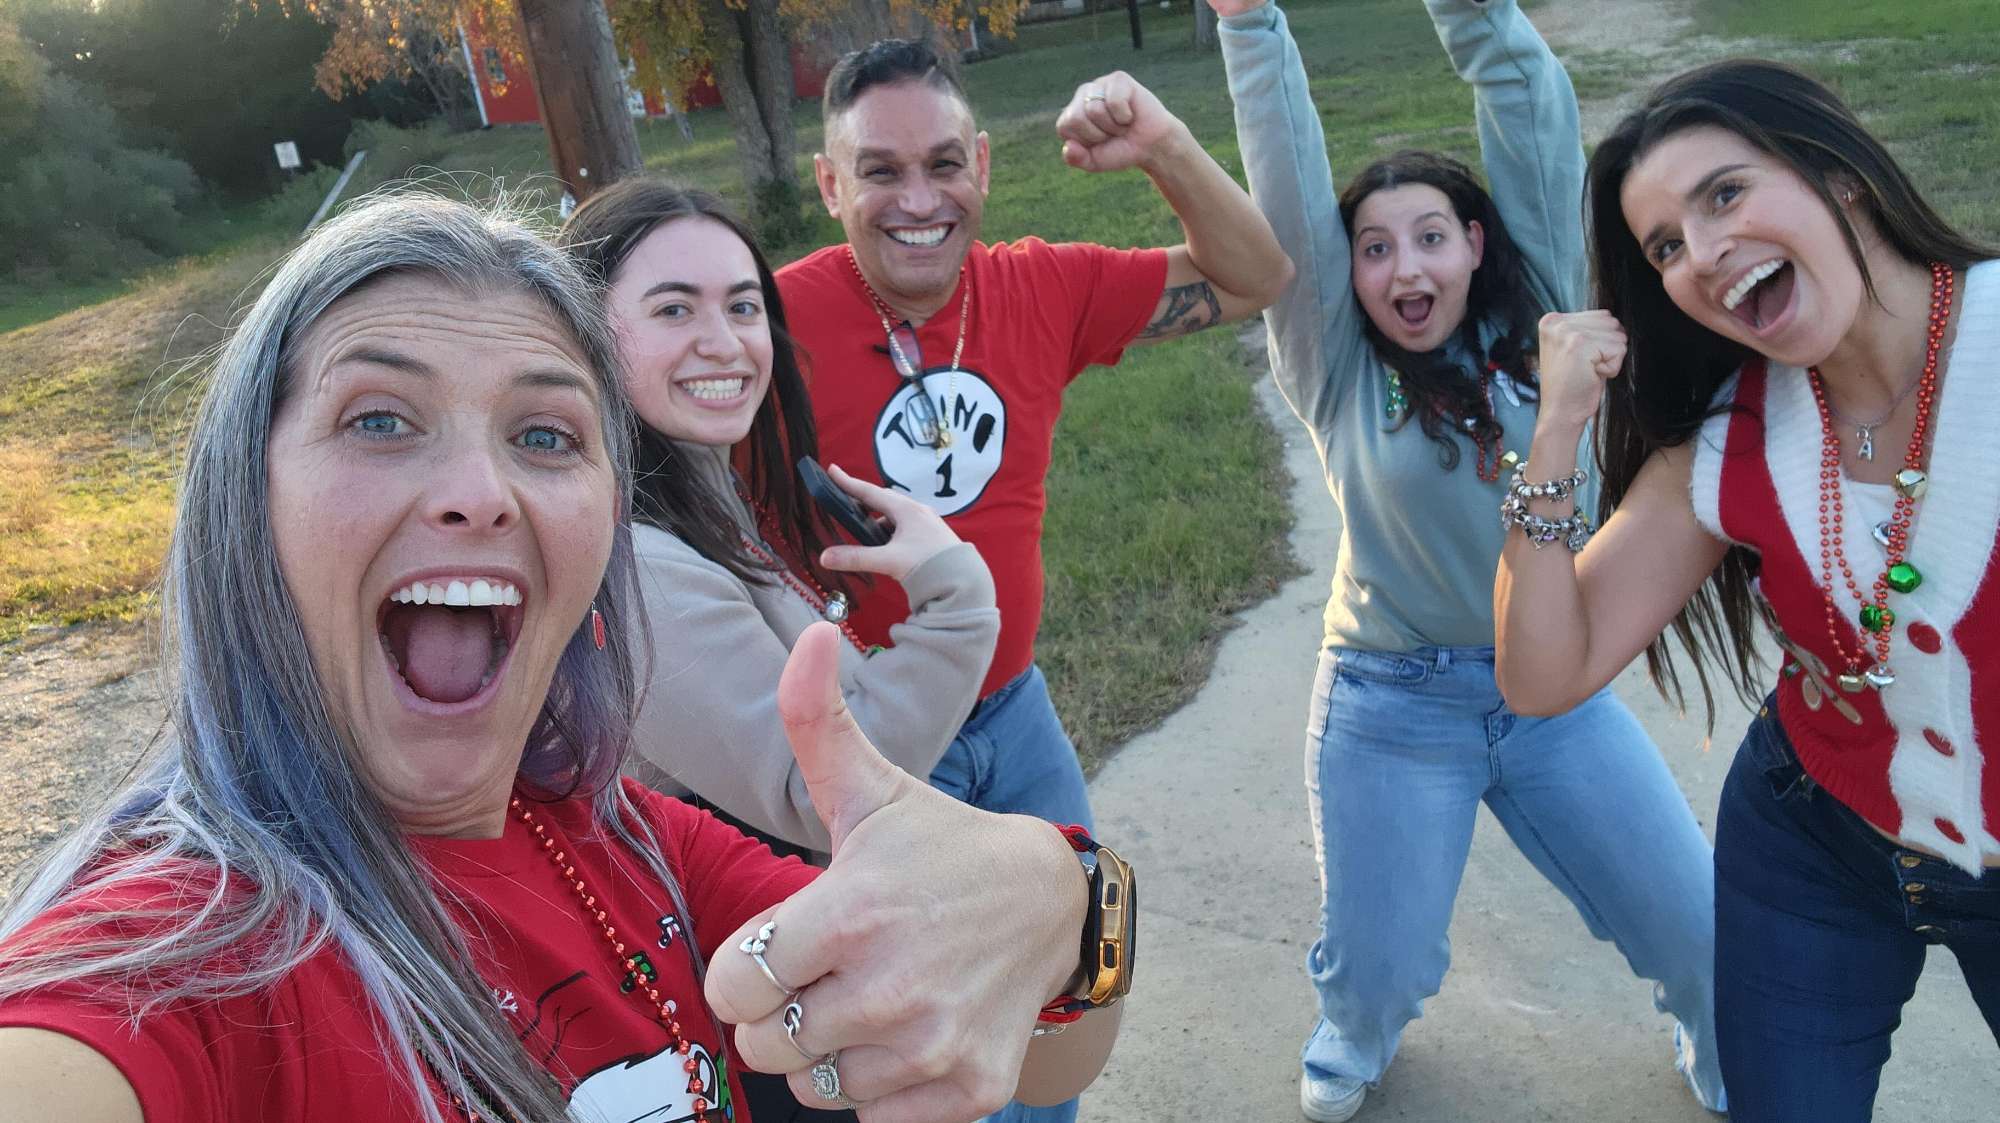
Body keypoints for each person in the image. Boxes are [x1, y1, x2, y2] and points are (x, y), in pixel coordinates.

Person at [0, 193, 1125, 1123]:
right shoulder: (169, 960)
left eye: (544, 435)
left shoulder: (626, 842)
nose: (478, 495)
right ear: (245, 498)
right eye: (380, 419)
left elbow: (1049, 1052)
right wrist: (953, 609)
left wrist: (1069, 903)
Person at [1209, 1, 1725, 1119]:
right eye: (1374, 246)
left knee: (1699, 928)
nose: (1403, 266)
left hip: (1559, 694)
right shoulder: (1334, 366)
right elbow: (1289, 191)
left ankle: (1722, 1042)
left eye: (1429, 235)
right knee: (1378, 967)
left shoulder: (1542, 315)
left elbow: (1528, 107)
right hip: (1391, 705)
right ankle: (1353, 1034)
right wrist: (1249, 26)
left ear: (1476, 243)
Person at [1495, 56, 2000, 1123]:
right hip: (1808, 844)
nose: (1701, 253)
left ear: (1837, 173)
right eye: (1664, 246)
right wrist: (1552, 433)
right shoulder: (1729, 440)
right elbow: (1544, 672)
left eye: (1723, 193)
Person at [776, 38, 1294, 856]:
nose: (919, 200)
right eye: (879, 172)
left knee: (1087, 962)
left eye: (944, 164)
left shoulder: (1041, 287)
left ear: (982, 165)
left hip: (1016, 709)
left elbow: (1255, 276)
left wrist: (1163, 147)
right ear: (831, 184)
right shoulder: (764, 327)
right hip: (874, 734)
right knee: (933, 980)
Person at [561, 178, 1000, 856]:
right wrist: (958, 604)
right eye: (675, 309)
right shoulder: (637, 568)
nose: (724, 343)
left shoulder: (703, 495)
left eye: (743, 306)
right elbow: (819, 787)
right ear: (582, 332)